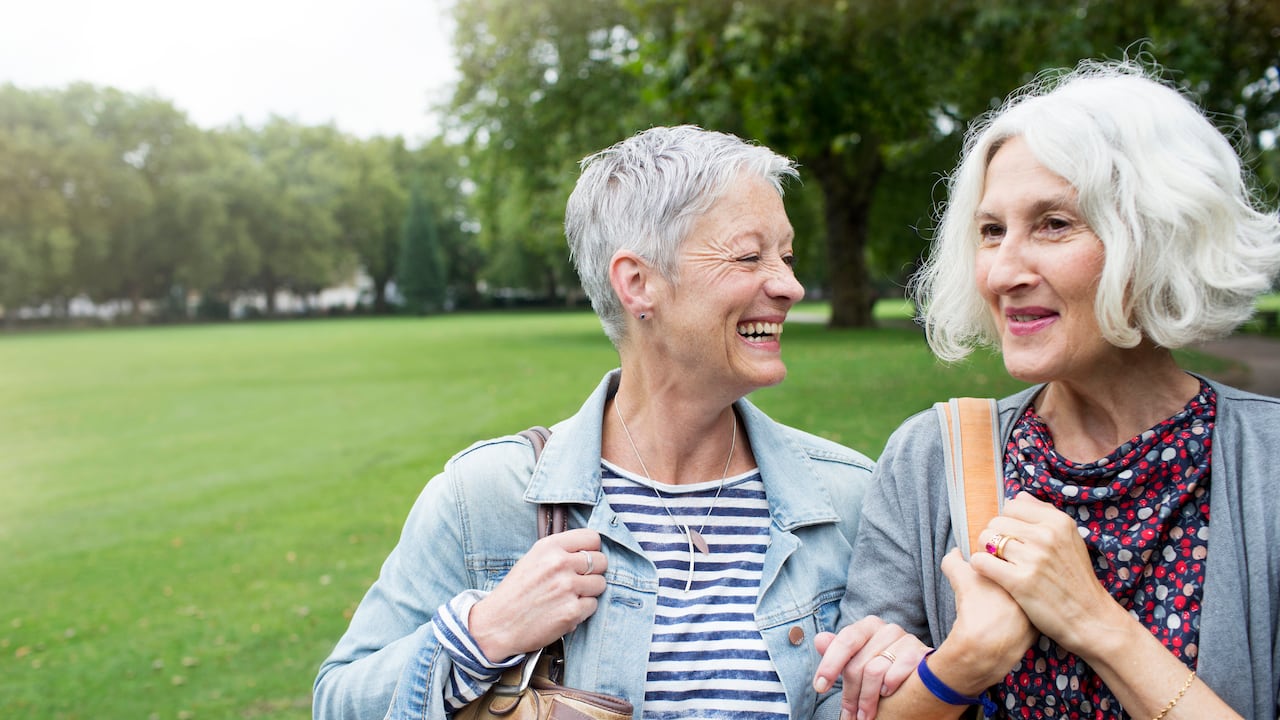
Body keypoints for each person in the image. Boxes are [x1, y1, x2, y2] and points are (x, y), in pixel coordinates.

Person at [313, 125, 907, 719]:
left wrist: (912, 669)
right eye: (750, 256)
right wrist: (483, 633)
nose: (789, 285)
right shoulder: (485, 498)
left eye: (787, 255)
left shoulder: (851, 496)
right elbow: (337, 703)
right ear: (638, 282)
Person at [816, 60, 1280, 719]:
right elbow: (842, 709)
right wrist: (960, 665)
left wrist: (1096, 623)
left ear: (1157, 236)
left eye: (1054, 224)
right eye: (991, 231)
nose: (1004, 271)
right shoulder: (930, 460)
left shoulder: (1268, 466)